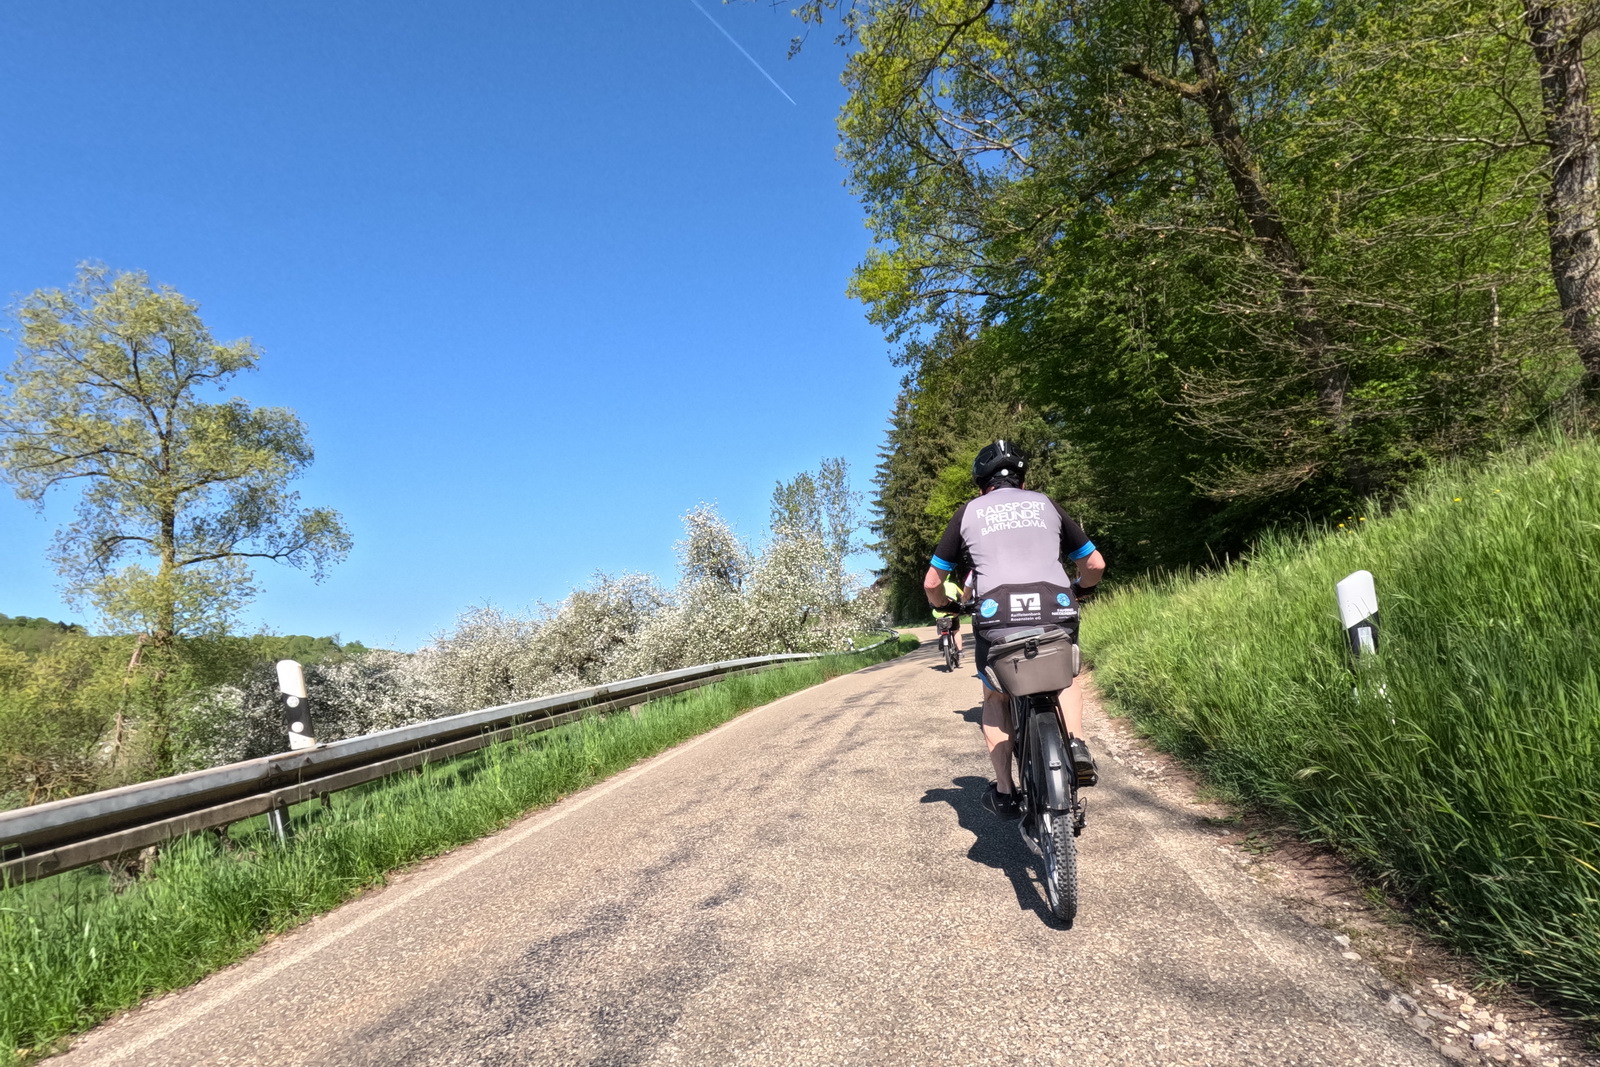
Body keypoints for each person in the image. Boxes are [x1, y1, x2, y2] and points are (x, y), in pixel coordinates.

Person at [923, 440, 1106, 819]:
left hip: (998, 615)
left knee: (996, 697)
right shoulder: (1046, 504)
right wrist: (1080, 589)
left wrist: (946, 605)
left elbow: (931, 583)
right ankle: (1076, 746)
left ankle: (1005, 791)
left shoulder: (968, 513)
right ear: (1022, 483)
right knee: (1066, 680)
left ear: (981, 485)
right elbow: (1095, 564)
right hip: (1054, 608)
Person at [933, 576, 964, 659]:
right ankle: (960, 651)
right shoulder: (953, 585)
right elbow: (962, 595)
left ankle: (941, 639)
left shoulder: (935, 586)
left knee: (940, 628)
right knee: (956, 631)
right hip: (952, 613)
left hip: (939, 613)